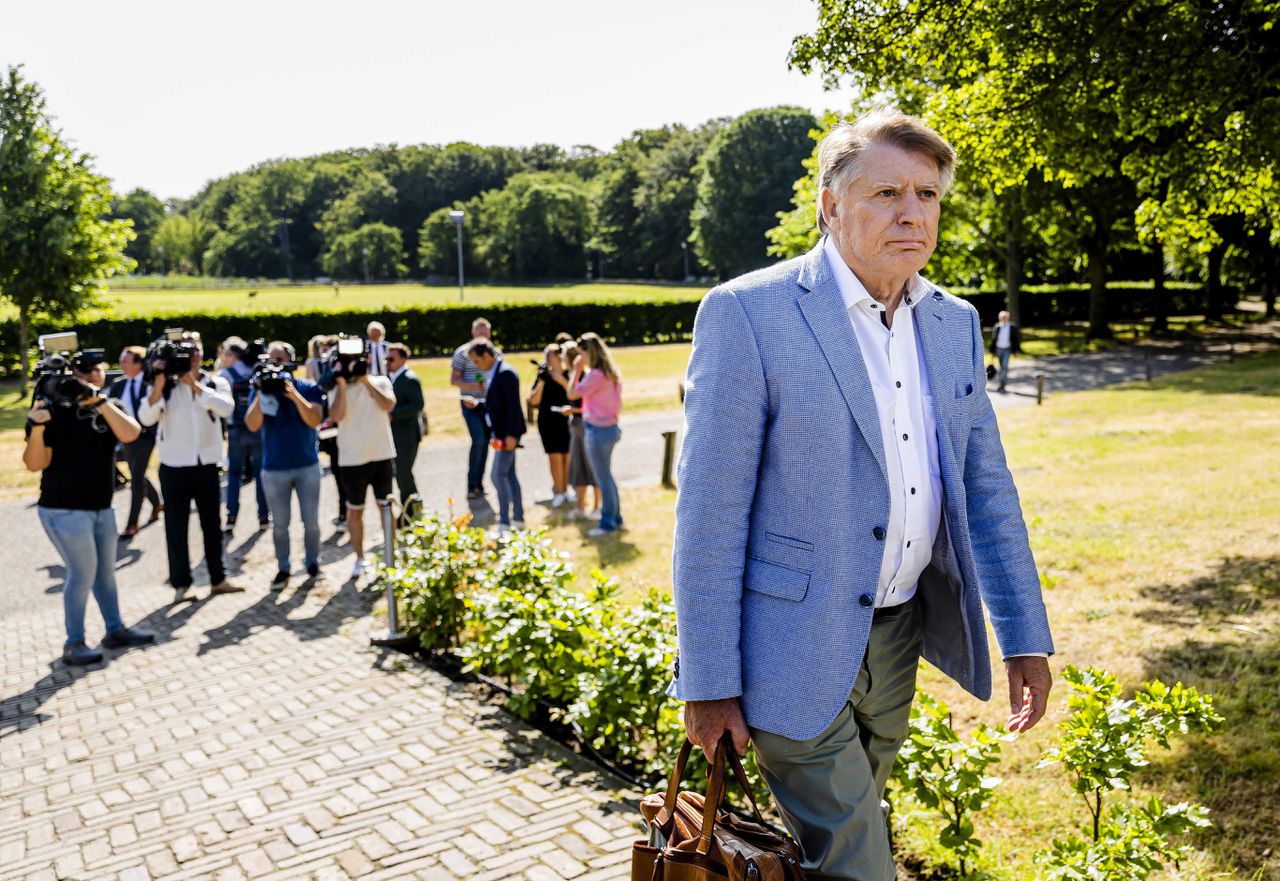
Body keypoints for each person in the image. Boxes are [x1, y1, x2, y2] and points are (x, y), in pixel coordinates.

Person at [670, 110, 1054, 881]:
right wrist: (708, 683)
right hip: (784, 650)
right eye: (885, 191)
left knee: (836, 853)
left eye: (927, 195)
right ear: (830, 204)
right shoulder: (748, 313)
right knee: (860, 863)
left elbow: (987, 487)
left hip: (898, 641)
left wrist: (1025, 633)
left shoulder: (954, 322)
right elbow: (708, 513)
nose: (911, 212)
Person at [24, 352, 156, 665]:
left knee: (106, 573)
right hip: (63, 508)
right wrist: (38, 427)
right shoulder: (51, 410)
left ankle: (114, 629)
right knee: (82, 574)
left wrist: (98, 402)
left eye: (97, 370)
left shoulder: (106, 406)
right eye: (84, 373)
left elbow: (132, 434)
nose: (92, 376)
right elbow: (34, 464)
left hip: (101, 507)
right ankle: (74, 643)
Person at [139, 332, 244, 602]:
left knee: (212, 524)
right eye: (186, 351)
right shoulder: (165, 385)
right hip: (174, 465)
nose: (192, 355)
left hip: (207, 463)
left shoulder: (215, 382)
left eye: (195, 349)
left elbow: (226, 409)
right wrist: (160, 383)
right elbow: (146, 417)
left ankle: (217, 579)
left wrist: (196, 387)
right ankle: (181, 585)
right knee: (176, 526)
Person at [245, 341, 326, 589]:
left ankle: (312, 562)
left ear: (291, 362)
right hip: (274, 468)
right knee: (279, 524)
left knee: (310, 521)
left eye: (279, 360)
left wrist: (293, 394)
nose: (274, 366)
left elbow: (314, 419)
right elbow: (252, 424)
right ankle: (283, 567)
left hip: (306, 465)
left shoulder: (308, 387)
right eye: (270, 361)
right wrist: (260, 393)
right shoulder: (261, 392)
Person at [329, 351, 397, 580]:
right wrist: (340, 384)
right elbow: (337, 415)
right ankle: (360, 558)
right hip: (352, 459)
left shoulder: (380, 381)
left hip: (381, 454)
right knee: (355, 510)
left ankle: (391, 554)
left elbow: (388, 405)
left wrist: (366, 381)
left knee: (385, 507)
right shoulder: (337, 388)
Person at [561, 333, 623, 537]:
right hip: (611, 428)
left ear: (590, 353)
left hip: (598, 431)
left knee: (602, 479)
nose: (580, 359)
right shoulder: (610, 372)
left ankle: (607, 523)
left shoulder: (595, 375)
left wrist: (576, 371)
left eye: (581, 355)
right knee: (607, 477)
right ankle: (616, 517)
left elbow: (572, 394)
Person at [468, 340, 525, 535]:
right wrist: (479, 405)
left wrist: (511, 435)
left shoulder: (506, 373)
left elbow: (513, 407)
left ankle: (505, 522)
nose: (476, 366)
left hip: (507, 435)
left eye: (477, 361)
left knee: (497, 475)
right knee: (509, 475)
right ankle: (517, 518)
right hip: (499, 432)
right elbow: (497, 404)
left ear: (487, 355)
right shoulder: (494, 373)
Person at [108, 346, 163, 537]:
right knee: (136, 473)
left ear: (139, 364)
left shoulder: (148, 384)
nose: (121, 364)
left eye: (125, 361)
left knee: (137, 478)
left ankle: (132, 523)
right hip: (125, 438)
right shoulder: (118, 385)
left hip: (146, 437)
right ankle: (157, 504)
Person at [219, 336, 268, 531]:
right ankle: (263, 516)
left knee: (234, 475)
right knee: (259, 474)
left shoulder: (226, 374)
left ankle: (231, 515)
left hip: (236, 430)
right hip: (257, 428)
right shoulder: (257, 371)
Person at [450, 318, 500, 498]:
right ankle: (471, 484)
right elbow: (454, 379)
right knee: (478, 439)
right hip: (469, 404)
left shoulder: (495, 352)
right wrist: (473, 388)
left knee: (486, 441)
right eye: (480, 333)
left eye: (486, 333)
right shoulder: (462, 353)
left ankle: (479, 483)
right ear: (473, 333)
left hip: (488, 405)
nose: (483, 336)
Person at [528, 343, 571, 506]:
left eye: (550, 356)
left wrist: (561, 380)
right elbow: (533, 401)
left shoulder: (568, 374)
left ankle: (566, 490)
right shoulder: (543, 376)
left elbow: (574, 393)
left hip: (566, 420)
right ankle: (558, 492)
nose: (547, 360)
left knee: (567, 456)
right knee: (555, 457)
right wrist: (542, 381)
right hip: (548, 421)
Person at [386, 343, 425, 506]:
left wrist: (393, 415)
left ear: (403, 359)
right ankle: (409, 510)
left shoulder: (409, 379)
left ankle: (413, 511)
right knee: (401, 475)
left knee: (404, 474)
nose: (387, 362)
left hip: (407, 436)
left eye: (391, 358)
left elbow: (418, 404)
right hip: (398, 435)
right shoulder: (394, 377)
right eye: (386, 359)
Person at [989, 309, 1022, 393]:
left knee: (1004, 366)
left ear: (1008, 318)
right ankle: (1001, 382)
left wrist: (1016, 351)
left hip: (1007, 349)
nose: (1004, 319)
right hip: (998, 349)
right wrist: (992, 351)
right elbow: (994, 339)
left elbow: (1016, 340)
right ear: (1000, 318)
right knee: (1001, 367)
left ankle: (1002, 385)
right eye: (1002, 317)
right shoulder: (997, 327)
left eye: (1005, 317)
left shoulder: (1012, 327)